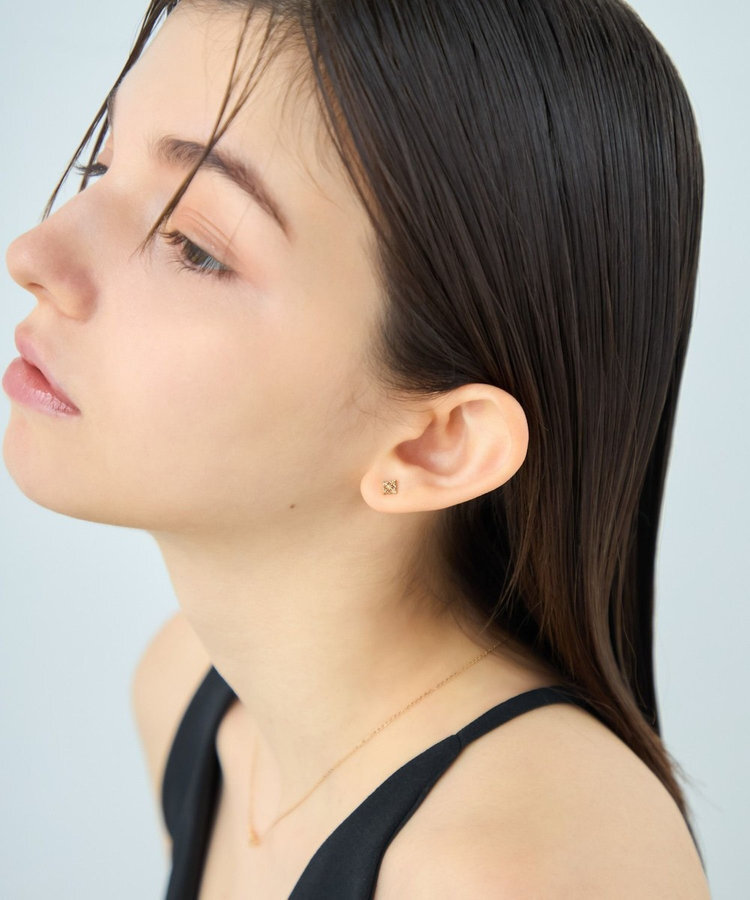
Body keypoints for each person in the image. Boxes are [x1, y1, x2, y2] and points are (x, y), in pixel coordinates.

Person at [2, 0, 711, 896]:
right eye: (101, 164)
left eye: (193, 245)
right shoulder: (186, 694)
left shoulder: (521, 870)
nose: (34, 253)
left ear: (438, 444)